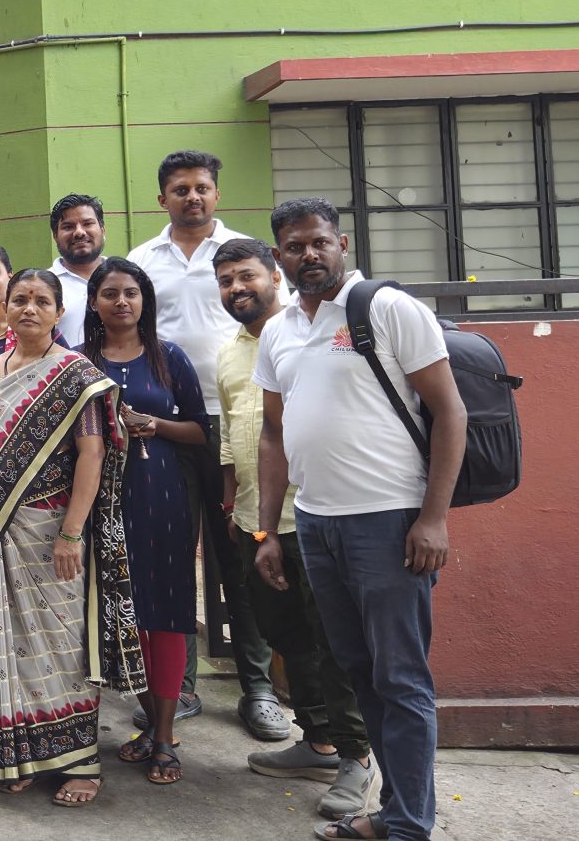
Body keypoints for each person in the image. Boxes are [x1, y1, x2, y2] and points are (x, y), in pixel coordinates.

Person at [253, 199, 466, 841]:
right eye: (294, 247)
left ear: (341, 243)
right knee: (361, 670)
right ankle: (397, 814)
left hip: (390, 523)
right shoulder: (279, 330)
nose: (309, 255)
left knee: (400, 677)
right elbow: (273, 434)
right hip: (315, 524)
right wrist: (267, 530)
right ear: (279, 257)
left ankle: (408, 826)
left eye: (319, 242)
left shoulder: (386, 309)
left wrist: (433, 519)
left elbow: (450, 413)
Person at [0, 268, 145, 805]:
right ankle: (18, 755)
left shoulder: (75, 375)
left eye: (42, 301)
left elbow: (92, 454)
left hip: (51, 533)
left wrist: (71, 534)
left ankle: (79, 762)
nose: (29, 309)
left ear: (60, 312)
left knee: (62, 646)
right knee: (8, 647)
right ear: (6, 309)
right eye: (20, 300)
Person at [214, 238, 378, 820]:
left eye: (247, 276)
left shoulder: (311, 336)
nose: (238, 288)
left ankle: (356, 755)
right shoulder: (228, 353)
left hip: (314, 517)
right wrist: (236, 509)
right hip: (257, 523)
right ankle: (318, 741)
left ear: (274, 276)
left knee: (335, 640)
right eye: (226, 280)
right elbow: (235, 434)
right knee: (285, 635)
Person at [127, 150, 286, 740]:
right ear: (162, 198)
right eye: (180, 189)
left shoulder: (244, 256)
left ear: (216, 194)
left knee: (241, 555)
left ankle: (258, 688)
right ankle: (180, 685)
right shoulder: (144, 260)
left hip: (238, 422)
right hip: (166, 428)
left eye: (201, 188)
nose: (192, 197)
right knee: (170, 554)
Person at [82, 256, 208, 786]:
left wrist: (154, 424)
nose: (121, 302)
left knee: (167, 614)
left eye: (131, 293)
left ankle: (164, 738)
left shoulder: (167, 357)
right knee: (124, 615)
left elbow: (199, 430)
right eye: (110, 293)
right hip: (104, 503)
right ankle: (151, 725)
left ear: (144, 300)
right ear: (94, 303)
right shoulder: (80, 361)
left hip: (164, 498)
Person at [48, 194, 107, 348]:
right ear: (55, 236)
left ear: (103, 229)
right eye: (68, 227)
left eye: (87, 224)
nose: (79, 232)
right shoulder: (44, 285)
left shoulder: (126, 278)